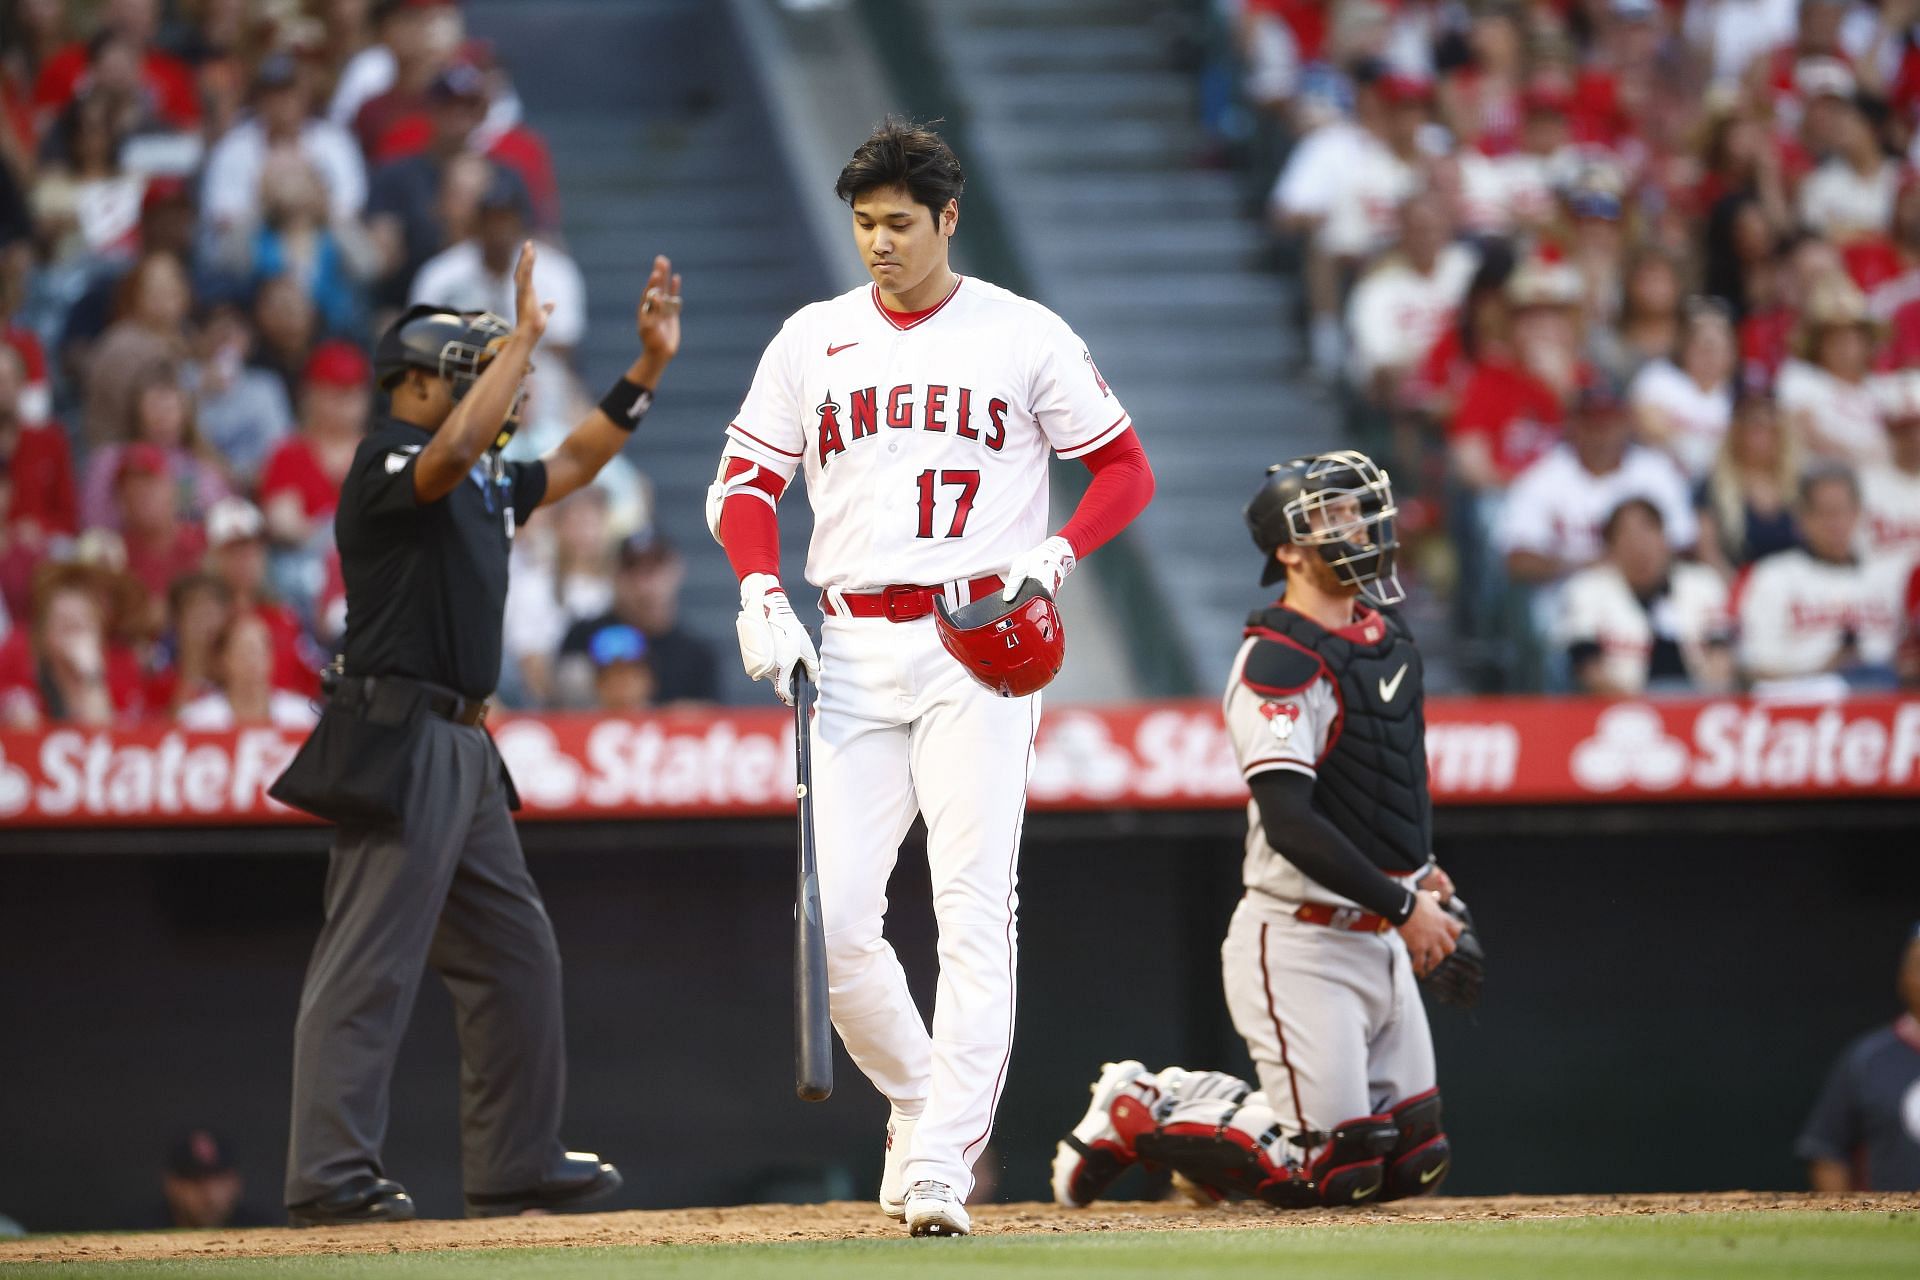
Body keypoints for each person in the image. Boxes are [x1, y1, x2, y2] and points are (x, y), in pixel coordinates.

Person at [711, 120, 1154, 1237]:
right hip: (850, 642)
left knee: (971, 908)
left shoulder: (1021, 331)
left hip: (977, 642)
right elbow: (744, 487)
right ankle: (922, 1099)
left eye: (899, 224)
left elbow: (1123, 466)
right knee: (838, 921)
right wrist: (763, 593)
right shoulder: (813, 337)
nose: (879, 244)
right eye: (864, 224)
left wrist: (1055, 555)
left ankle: (947, 1159)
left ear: (948, 218)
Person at [271, 242, 681, 1225]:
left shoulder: (485, 479)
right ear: (416, 380)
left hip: (463, 740)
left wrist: (649, 367)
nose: (501, 383)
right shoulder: (389, 458)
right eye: (471, 367)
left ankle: (515, 1160)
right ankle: (330, 1174)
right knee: (368, 957)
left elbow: (576, 459)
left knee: (515, 954)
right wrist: (524, 335)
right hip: (397, 730)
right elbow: (451, 449)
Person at [1050, 451, 1473, 1213]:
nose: (1357, 524)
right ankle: (1150, 1102)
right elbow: (1289, 823)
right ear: (1287, 548)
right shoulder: (1275, 660)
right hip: (1300, 938)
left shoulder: (1388, 635)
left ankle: (1209, 1154)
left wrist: (1422, 879)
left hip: (1380, 924)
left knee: (1415, 1162)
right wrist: (1406, 909)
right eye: (1332, 515)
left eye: (1358, 509)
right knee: (1334, 1173)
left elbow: (1383, 790)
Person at [1498, 378, 1697, 587]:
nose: (1602, 433)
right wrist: (1590, 567)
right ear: (1574, 426)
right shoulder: (1542, 476)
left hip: (1644, 601)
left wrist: (1631, 562)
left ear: (1626, 423)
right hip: (1566, 605)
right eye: (1592, 423)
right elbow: (1517, 559)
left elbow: (1684, 545)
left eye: (1611, 422)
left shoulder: (1656, 472)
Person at [1735, 466, 1908, 689]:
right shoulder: (1774, 576)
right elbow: (1751, 671)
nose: (1835, 524)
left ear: (1858, 513)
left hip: (1886, 705)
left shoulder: (1890, 577)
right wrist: (1823, 672)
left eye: (1843, 511)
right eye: (1824, 513)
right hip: (1805, 710)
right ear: (1801, 517)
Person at [1555, 498, 1734, 695]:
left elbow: (1721, 660)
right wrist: (1646, 710)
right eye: (1627, 535)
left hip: (1695, 700)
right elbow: (1590, 671)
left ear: (1665, 539)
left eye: (1648, 532)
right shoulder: (1586, 590)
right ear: (1611, 548)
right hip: (1622, 706)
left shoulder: (1703, 583)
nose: (1639, 545)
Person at [1796, 923, 1920, 1192]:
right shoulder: (1868, 1059)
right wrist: (1845, 1221)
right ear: (1903, 977)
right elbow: (1826, 1151)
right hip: (1888, 1226)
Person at [555, 531, 717, 708]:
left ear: (676, 569)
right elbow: (562, 708)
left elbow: (715, 723)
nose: (645, 582)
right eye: (632, 568)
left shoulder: (697, 656)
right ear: (615, 575)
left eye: (654, 568)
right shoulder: (583, 637)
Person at [1694, 391, 1801, 578]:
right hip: (1737, 584)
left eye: (1771, 430)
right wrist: (1738, 589)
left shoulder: (1799, 486)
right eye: (1755, 430)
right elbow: (1707, 551)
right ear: (1737, 434)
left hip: (1794, 588)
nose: (1762, 439)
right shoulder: (1714, 487)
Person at [177, 611, 318, 730]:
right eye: (244, 651)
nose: (253, 660)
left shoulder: (302, 716)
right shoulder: (198, 720)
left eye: (260, 650)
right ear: (223, 659)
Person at [158, 1130, 270, 1229]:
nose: (208, 1194)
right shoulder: (147, 1231)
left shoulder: (263, 1229)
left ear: (236, 1182)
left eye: (217, 1179)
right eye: (195, 1180)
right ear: (171, 1184)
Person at [582, 621, 653, 712]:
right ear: (598, 683)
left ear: (647, 680)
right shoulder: (581, 722)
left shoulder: (669, 719)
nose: (622, 685)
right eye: (613, 675)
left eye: (630, 675)